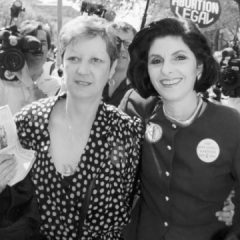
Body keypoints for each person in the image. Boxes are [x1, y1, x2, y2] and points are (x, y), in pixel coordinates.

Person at [0, 15, 143, 239]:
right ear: (60, 61)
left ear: (112, 67)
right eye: (74, 58)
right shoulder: (27, 123)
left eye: (96, 60)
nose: (83, 70)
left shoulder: (128, 133)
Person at [120, 17, 240, 240]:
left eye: (180, 58)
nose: (166, 70)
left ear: (200, 66)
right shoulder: (136, 110)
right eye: (156, 60)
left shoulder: (232, 126)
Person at [0, 19, 61, 114]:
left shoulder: (56, 86)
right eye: (32, 42)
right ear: (19, 47)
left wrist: (30, 84)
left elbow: (49, 118)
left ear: (49, 49)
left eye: (43, 43)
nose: (38, 48)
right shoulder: (3, 83)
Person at [102, 21, 136, 107]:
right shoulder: (92, 76)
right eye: (116, 42)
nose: (121, 49)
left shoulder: (137, 89)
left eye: (127, 44)